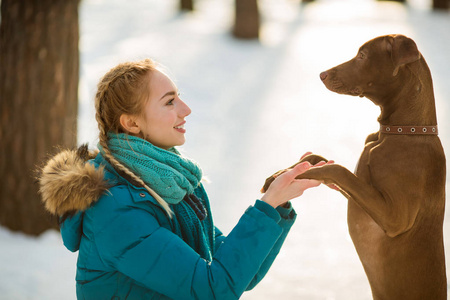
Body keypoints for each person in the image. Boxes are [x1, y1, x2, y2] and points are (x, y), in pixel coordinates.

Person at [39, 58, 327, 300]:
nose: (186, 109)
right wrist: (267, 204)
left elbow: (237, 274)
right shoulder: (116, 210)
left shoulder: (171, 182)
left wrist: (276, 205)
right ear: (132, 123)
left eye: (179, 96)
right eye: (169, 102)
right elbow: (212, 289)